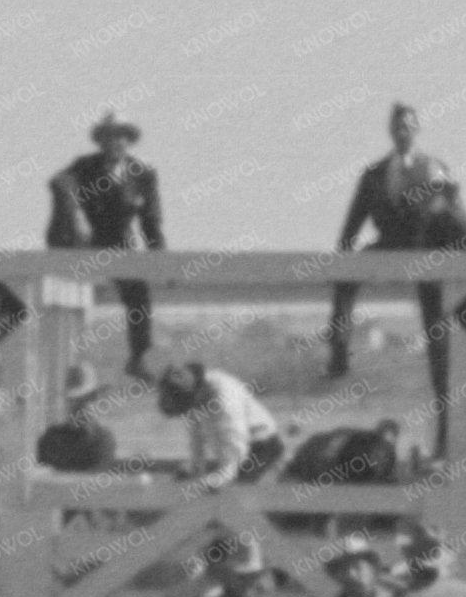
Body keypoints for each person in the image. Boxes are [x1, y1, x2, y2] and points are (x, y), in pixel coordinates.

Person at [328, 103, 466, 454]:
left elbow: (457, 218)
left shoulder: (434, 167)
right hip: (392, 246)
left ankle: (445, 437)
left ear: (418, 129)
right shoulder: (375, 173)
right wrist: (341, 257)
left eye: (409, 125)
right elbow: (352, 223)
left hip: (429, 254)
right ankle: (338, 348)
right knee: (346, 275)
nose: (403, 131)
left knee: (439, 349)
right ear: (390, 130)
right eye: (397, 126)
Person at [45, 110, 165, 376]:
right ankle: (55, 366)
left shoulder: (142, 172)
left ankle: (139, 357)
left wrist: (161, 260)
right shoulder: (85, 166)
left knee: (138, 294)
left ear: (129, 141)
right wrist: (73, 215)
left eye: (121, 137)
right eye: (110, 137)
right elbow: (59, 182)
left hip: (122, 243)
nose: (116, 142)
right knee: (60, 297)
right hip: (86, 242)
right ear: (101, 142)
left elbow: (151, 220)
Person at [155, 361, 283, 483]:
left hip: (260, 445)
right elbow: (195, 435)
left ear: (198, 394)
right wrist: (194, 466)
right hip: (230, 447)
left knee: (236, 490)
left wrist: (221, 477)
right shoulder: (193, 391)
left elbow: (236, 452)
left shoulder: (226, 401)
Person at [33, 362, 120, 472]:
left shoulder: (103, 440)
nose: (81, 407)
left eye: (86, 399)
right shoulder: (50, 439)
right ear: (67, 402)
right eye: (75, 400)